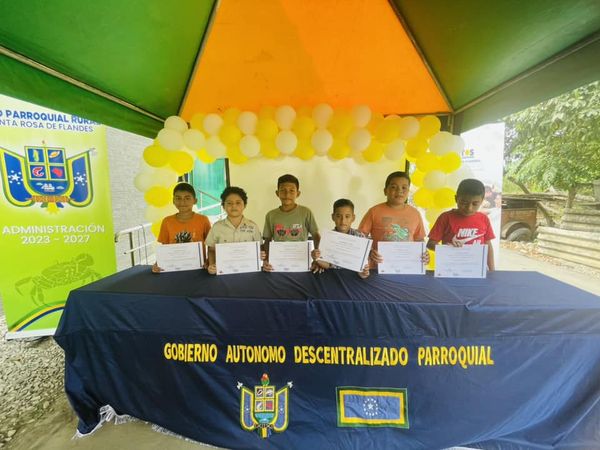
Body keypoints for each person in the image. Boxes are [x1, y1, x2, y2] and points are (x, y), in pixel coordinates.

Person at [358, 171, 428, 268]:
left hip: (407, 268)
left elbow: (419, 240)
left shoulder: (415, 213)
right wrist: (369, 252)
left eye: (404, 187)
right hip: (378, 268)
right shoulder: (374, 211)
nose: (399, 191)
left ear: (408, 191)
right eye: (394, 187)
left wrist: (424, 253)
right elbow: (360, 237)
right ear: (385, 191)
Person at [426, 178, 495, 271]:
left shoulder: (484, 219)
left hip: (476, 269)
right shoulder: (445, 217)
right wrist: (446, 249)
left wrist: (492, 270)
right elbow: (430, 244)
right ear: (456, 199)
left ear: (482, 201)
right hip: (450, 269)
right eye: (464, 203)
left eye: (475, 204)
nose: (469, 208)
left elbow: (488, 245)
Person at [263, 174, 320, 271]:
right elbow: (267, 240)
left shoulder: (305, 212)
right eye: (283, 190)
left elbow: (316, 235)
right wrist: (267, 260)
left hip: (301, 263)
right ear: (277, 193)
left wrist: (317, 258)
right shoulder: (271, 215)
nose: (287, 194)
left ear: (298, 193)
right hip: (279, 265)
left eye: (291, 191)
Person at [152, 182, 211, 273]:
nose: (182, 202)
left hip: (198, 268)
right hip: (173, 268)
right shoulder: (167, 221)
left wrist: (209, 261)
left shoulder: (203, 220)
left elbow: (210, 244)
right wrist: (158, 263)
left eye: (187, 198)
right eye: (178, 198)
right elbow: (164, 247)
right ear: (173, 201)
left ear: (195, 200)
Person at [205, 186, 264, 275]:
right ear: (223, 206)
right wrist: (212, 265)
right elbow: (211, 250)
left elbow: (259, 248)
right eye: (229, 203)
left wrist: (260, 254)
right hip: (224, 272)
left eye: (238, 203)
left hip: (248, 272)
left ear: (245, 205)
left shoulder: (253, 226)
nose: (234, 206)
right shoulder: (217, 227)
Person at [312, 198, 370, 278]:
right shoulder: (327, 239)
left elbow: (363, 267)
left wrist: (364, 272)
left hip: (353, 278)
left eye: (347, 216)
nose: (343, 221)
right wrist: (317, 259)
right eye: (338, 216)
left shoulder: (360, 238)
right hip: (332, 277)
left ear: (353, 218)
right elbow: (328, 265)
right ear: (333, 217)